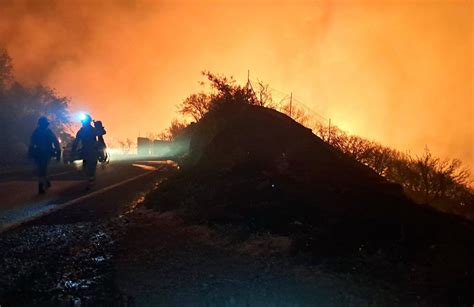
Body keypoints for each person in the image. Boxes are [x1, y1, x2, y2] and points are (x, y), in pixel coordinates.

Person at [28, 116, 61, 194]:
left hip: (42, 153)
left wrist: (30, 153)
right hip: (44, 153)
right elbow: (55, 142)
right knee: (42, 169)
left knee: (41, 169)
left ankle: (42, 184)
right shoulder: (48, 132)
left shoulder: (37, 132)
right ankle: (43, 183)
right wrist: (58, 153)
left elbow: (32, 143)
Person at [72, 113, 100, 188]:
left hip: (90, 151)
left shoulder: (86, 131)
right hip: (89, 151)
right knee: (88, 168)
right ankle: (90, 181)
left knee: (90, 168)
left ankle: (90, 181)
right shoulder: (89, 130)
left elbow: (76, 142)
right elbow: (76, 141)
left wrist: (73, 150)